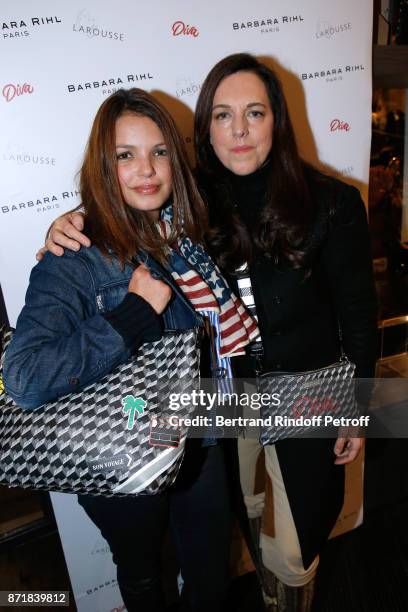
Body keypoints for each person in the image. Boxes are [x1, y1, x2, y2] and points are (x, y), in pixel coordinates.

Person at [38, 54, 378, 612]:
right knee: (244, 521)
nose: (239, 130)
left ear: (278, 121)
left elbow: (359, 315)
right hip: (224, 401)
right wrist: (71, 222)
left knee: (295, 545)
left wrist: (357, 405)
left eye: (254, 113)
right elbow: (125, 200)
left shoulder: (333, 204)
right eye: (222, 115)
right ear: (206, 128)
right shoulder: (191, 204)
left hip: (309, 399)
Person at [3, 87, 260, 612]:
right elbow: (24, 377)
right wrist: (133, 314)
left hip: (199, 439)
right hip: (117, 453)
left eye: (159, 151)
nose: (147, 169)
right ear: (104, 164)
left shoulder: (187, 235)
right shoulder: (74, 257)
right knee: (143, 577)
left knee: (210, 579)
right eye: (125, 155)